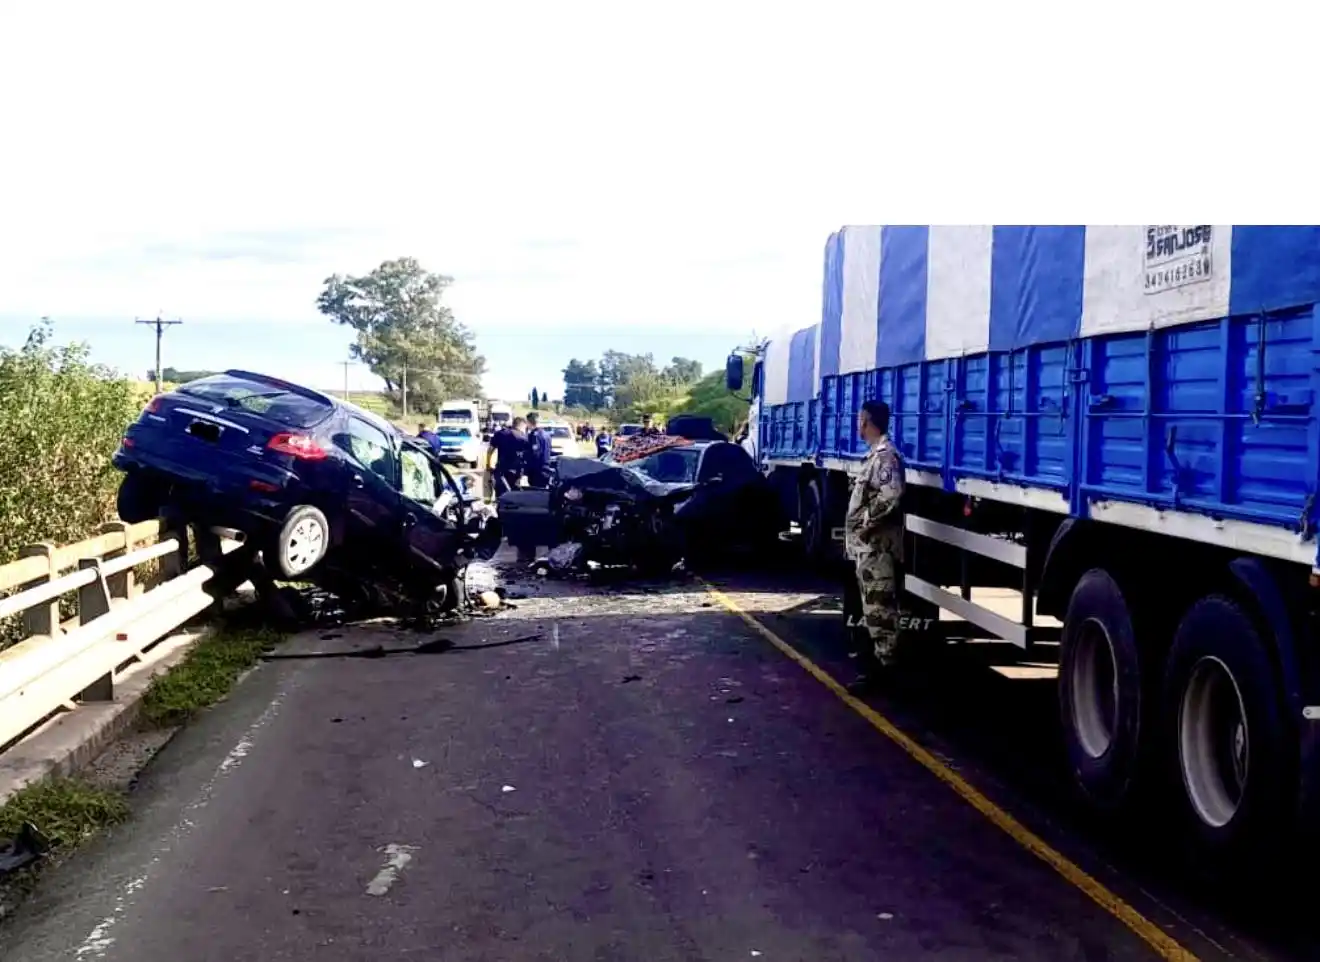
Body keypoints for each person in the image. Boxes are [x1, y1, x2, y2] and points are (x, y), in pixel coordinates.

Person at [844, 399, 905, 693]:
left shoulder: (884, 457)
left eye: (859, 419)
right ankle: (877, 670)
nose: (858, 424)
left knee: (881, 612)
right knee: (872, 609)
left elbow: (890, 496)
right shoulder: (873, 457)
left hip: (877, 548)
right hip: (867, 549)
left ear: (866, 421)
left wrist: (865, 523)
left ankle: (886, 674)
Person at [487, 416, 527, 496]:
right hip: (516, 472)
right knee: (515, 495)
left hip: (501, 470)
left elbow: (490, 450)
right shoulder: (524, 438)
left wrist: (488, 464)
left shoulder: (500, 434)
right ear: (522, 425)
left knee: (500, 495)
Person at [524, 412, 553, 488]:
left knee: (536, 493)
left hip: (536, 470)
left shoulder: (534, 435)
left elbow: (535, 454)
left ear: (529, 422)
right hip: (546, 468)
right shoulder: (547, 434)